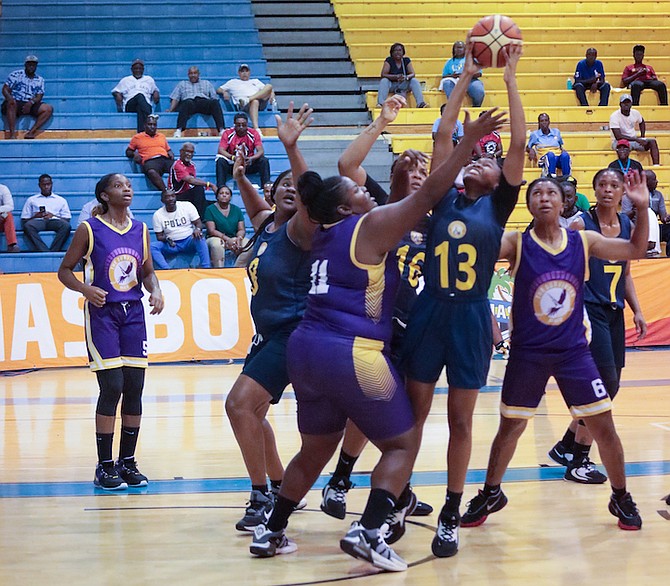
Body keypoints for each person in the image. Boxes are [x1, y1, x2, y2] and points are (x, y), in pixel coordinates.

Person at [249, 105, 506, 572]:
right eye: (357, 191)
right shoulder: (370, 226)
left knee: (314, 449)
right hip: (351, 349)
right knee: (403, 443)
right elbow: (430, 192)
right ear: (348, 206)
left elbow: (313, 197)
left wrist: (293, 149)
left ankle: (272, 528)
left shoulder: (322, 230)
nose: (365, 190)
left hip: (305, 350)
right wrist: (467, 140)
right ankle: (369, 530)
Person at [460, 172, 649, 532]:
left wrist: (641, 208)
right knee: (510, 429)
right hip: (528, 353)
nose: (544, 197)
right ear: (528, 204)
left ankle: (621, 495)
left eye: (551, 193)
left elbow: (634, 251)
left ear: (565, 204)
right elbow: (474, 247)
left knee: (604, 426)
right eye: (536, 193)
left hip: (573, 351)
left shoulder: (584, 241)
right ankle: (491, 491)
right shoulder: (516, 243)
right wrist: (480, 199)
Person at [401, 43, 524, 558]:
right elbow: (444, 137)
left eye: (486, 162)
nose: (479, 161)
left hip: (471, 316)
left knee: (460, 421)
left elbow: (518, 141)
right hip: (431, 311)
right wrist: (463, 79)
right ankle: (396, 500)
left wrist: (510, 77)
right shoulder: (443, 194)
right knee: (412, 415)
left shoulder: (497, 208)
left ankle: (452, 510)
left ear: (500, 183)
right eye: (475, 158)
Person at [318, 98, 434, 536]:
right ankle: (343, 477)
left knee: (408, 418)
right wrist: (383, 120)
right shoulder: (380, 207)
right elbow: (347, 162)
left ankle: (395, 491)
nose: (420, 175)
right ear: (398, 175)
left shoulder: (437, 216)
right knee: (374, 406)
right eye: (412, 168)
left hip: (419, 328)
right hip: (377, 326)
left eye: (425, 170)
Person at [224, 103, 314, 534]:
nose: (290, 190)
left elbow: (305, 192)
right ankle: (278, 486)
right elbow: (254, 203)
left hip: (294, 333)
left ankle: (262, 496)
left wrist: (291, 148)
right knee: (253, 414)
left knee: (238, 405)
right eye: (283, 184)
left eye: (296, 187)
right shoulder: (264, 223)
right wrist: (241, 177)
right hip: (268, 335)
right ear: (273, 192)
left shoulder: (300, 230)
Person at [58, 173, 164, 490]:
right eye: (118, 186)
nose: (127, 188)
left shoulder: (140, 229)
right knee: (113, 386)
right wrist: (84, 289)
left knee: (135, 388)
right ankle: (104, 465)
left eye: (128, 185)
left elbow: (148, 272)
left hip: (134, 314)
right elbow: (64, 270)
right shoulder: (89, 229)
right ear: (104, 196)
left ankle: (127, 462)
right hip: (103, 315)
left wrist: (156, 290)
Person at [547, 168, 647, 482]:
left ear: (622, 193)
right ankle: (578, 459)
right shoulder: (581, 224)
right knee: (605, 384)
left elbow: (627, 274)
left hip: (614, 310)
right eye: (602, 184)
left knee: (610, 383)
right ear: (594, 190)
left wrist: (638, 310)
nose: (608, 189)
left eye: (614, 185)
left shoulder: (628, 224)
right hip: (589, 311)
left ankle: (565, 444)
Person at [150, 189, 210, 269]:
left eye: (172, 196)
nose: (170, 199)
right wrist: (167, 239)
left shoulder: (187, 206)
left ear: (176, 197)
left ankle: (206, 267)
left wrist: (197, 229)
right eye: (167, 197)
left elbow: (198, 223)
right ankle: (167, 270)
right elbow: (159, 236)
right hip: (172, 244)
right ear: (162, 200)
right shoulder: (158, 215)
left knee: (200, 238)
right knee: (152, 246)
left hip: (189, 240)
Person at [2, 55, 53, 140]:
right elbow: (5, 90)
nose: (31, 66)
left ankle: (31, 132)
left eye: (33, 64)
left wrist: (31, 103)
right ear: (25, 65)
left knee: (48, 109)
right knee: (11, 103)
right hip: (15, 101)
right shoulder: (16, 75)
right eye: (29, 64)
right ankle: (12, 134)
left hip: (29, 102)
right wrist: (10, 99)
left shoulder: (39, 79)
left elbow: (39, 96)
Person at [215, 112, 270, 189]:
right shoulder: (227, 133)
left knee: (264, 160)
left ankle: (266, 187)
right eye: (238, 125)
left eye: (243, 125)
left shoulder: (253, 133)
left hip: (248, 163)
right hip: (233, 164)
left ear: (247, 124)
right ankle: (221, 188)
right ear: (234, 125)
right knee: (220, 161)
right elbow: (221, 150)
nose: (241, 127)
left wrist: (252, 158)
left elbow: (261, 151)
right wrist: (234, 158)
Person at [167, 66, 224, 138]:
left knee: (214, 102)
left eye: (195, 73)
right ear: (188, 74)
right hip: (190, 104)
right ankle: (179, 130)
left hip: (203, 102)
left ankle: (221, 130)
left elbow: (214, 97)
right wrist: (171, 110)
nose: (193, 75)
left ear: (198, 74)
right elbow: (176, 98)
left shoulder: (206, 83)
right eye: (191, 73)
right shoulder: (182, 84)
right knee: (186, 102)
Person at [20, 174, 72, 252]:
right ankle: (44, 251)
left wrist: (53, 215)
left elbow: (67, 219)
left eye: (48, 184)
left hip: (54, 221)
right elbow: (24, 220)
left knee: (66, 226)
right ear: (39, 185)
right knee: (28, 226)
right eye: (44, 185)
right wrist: (35, 216)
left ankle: (54, 250)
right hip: (38, 221)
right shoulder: (31, 200)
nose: (46, 187)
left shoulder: (60, 200)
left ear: (52, 184)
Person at [217, 64, 274, 131]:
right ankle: (256, 128)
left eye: (246, 71)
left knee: (269, 86)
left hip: (260, 102)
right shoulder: (233, 82)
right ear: (239, 73)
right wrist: (224, 92)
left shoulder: (256, 81)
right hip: (243, 105)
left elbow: (269, 89)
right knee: (255, 101)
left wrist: (272, 94)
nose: (244, 73)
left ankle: (248, 99)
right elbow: (218, 89)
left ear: (249, 72)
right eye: (242, 71)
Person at [126, 114, 174, 192]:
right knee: (151, 172)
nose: (152, 127)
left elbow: (168, 149)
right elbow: (128, 151)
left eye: (154, 125)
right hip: (150, 161)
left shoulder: (161, 136)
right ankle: (166, 191)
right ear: (145, 125)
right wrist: (134, 154)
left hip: (164, 159)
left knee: (179, 167)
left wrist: (170, 152)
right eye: (150, 124)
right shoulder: (137, 137)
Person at [167, 142, 215, 218]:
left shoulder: (192, 165)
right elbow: (190, 180)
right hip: (177, 195)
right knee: (199, 189)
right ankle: (201, 218)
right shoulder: (177, 165)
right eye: (187, 151)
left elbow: (192, 182)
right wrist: (209, 184)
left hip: (187, 193)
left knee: (214, 205)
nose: (189, 154)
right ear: (181, 152)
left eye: (192, 152)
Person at [609, 94, 660, 165]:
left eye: (628, 102)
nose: (626, 104)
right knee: (623, 147)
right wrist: (637, 139)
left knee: (652, 142)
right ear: (620, 104)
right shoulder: (614, 116)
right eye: (624, 103)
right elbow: (618, 136)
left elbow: (641, 122)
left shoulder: (635, 113)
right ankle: (623, 167)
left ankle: (656, 165)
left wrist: (642, 136)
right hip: (619, 142)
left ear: (631, 104)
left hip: (633, 140)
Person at [203, 185, 246, 267]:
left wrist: (238, 239)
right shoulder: (210, 209)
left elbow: (241, 229)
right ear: (217, 196)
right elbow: (212, 231)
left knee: (248, 245)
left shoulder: (236, 209)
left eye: (227, 193)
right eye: (221, 193)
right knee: (217, 245)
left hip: (234, 238)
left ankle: (237, 269)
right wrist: (228, 239)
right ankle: (220, 271)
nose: (224, 195)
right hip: (215, 238)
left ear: (230, 197)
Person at [112, 59, 160, 133]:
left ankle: (141, 133)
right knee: (139, 95)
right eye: (136, 68)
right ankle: (150, 116)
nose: (138, 70)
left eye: (140, 68)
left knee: (140, 108)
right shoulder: (125, 80)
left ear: (143, 69)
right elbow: (115, 91)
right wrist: (117, 95)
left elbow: (155, 90)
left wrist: (156, 92)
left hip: (145, 105)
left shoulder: (149, 79)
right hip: (130, 105)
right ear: (132, 70)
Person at [377, 42, 427, 108]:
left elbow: (412, 73)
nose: (398, 52)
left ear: (403, 52)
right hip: (392, 84)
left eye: (400, 50)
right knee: (384, 81)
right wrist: (395, 77)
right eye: (395, 50)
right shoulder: (389, 60)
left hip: (404, 84)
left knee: (414, 81)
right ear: (392, 52)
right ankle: (381, 103)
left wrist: (406, 77)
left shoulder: (406, 60)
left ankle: (420, 103)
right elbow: (383, 74)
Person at [441, 41, 484, 107]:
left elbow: (479, 74)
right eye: (456, 48)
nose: (458, 50)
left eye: (460, 48)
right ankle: (453, 107)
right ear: (453, 50)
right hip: (455, 81)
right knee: (447, 83)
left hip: (470, 80)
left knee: (478, 89)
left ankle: (476, 106)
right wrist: (452, 76)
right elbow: (444, 76)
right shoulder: (449, 62)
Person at [527, 113, 572, 177]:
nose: (544, 122)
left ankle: (567, 178)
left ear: (549, 122)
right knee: (550, 155)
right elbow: (528, 147)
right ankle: (551, 177)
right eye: (542, 121)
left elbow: (560, 145)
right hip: (544, 159)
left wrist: (563, 150)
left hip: (557, 156)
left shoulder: (556, 132)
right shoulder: (535, 134)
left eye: (546, 120)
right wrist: (531, 150)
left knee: (565, 155)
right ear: (539, 123)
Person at [0, 182, 20, 251]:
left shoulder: (3, 189)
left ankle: (12, 244)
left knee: (7, 214)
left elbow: (10, 206)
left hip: (0, 217)